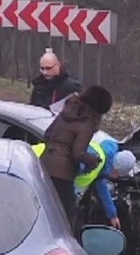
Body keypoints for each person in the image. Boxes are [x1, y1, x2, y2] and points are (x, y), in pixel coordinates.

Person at [37, 85, 113, 222]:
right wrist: (94, 160)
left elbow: (47, 135)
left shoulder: (67, 111)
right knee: (64, 217)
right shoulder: (88, 122)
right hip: (62, 173)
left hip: (44, 164)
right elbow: (78, 154)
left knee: (45, 211)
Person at [33, 138, 136, 230]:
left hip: (36, 159)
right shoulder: (93, 161)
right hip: (34, 165)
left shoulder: (103, 160)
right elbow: (62, 175)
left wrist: (112, 214)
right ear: (117, 169)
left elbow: (101, 186)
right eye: (119, 174)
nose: (117, 178)